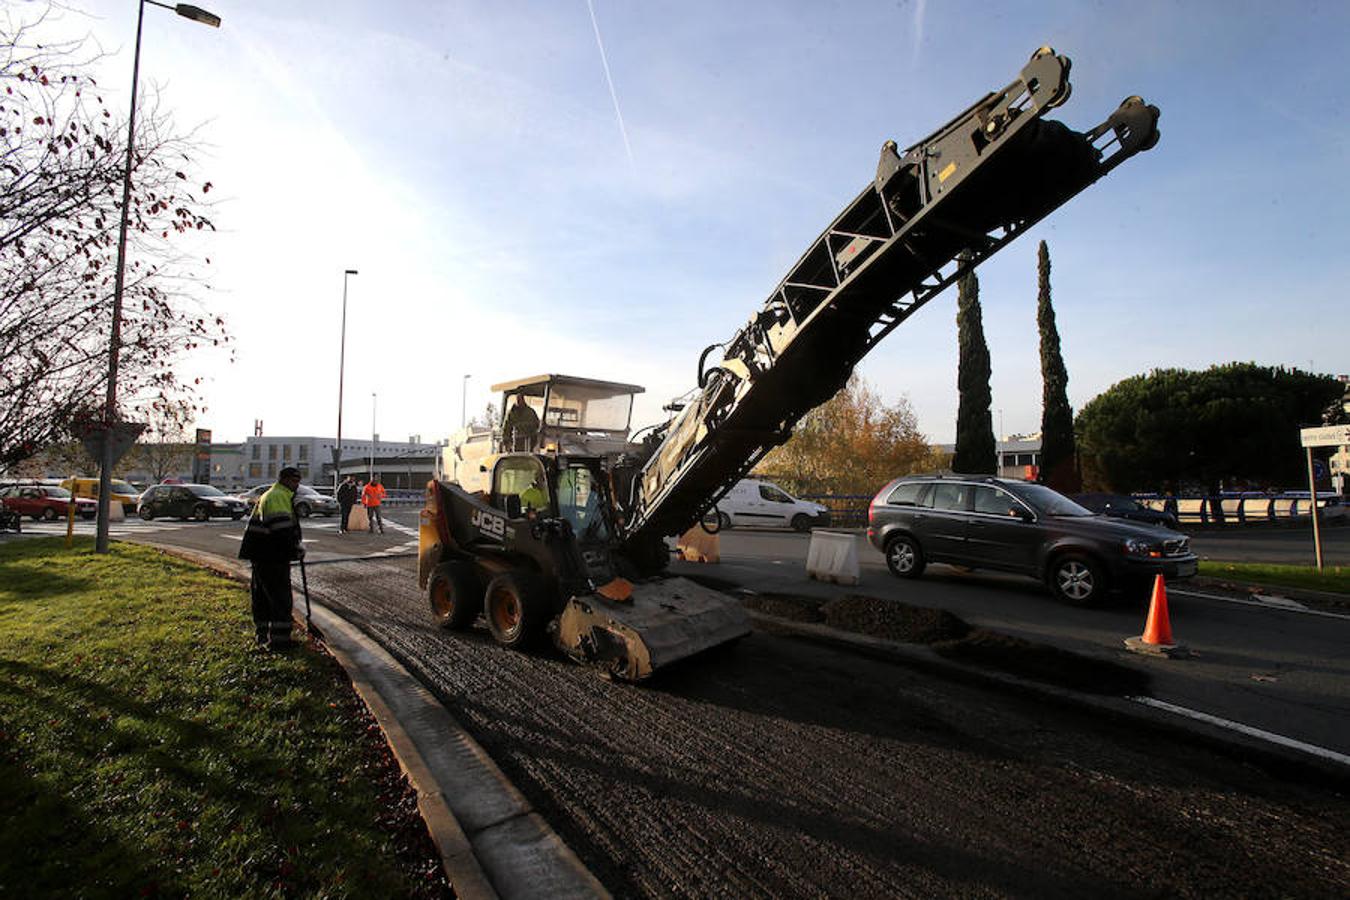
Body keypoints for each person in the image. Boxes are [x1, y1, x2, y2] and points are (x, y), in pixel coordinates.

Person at [238, 466, 304, 650]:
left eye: (298, 481)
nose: (296, 485)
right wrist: (295, 548)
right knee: (280, 597)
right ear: (284, 480)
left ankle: (263, 635)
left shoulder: (274, 494)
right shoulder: (278, 496)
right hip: (271, 556)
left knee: (263, 597)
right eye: (294, 481)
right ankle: (279, 641)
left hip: (262, 554)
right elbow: (281, 529)